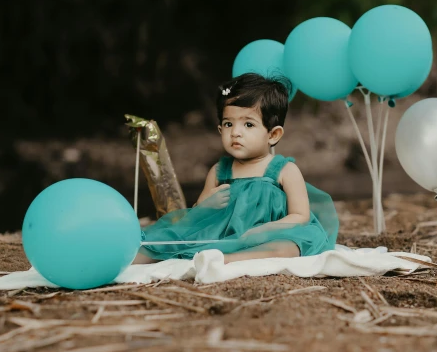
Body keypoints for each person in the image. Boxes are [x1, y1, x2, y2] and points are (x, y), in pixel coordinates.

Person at [134, 73, 339, 264]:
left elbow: (300, 215)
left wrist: (266, 230)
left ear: (273, 134)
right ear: (220, 129)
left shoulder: (284, 170)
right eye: (229, 124)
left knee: (288, 248)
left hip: (270, 235)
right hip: (223, 235)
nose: (236, 133)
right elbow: (197, 214)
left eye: (248, 125)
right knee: (170, 240)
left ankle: (230, 259)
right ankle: (127, 259)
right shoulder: (219, 171)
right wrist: (208, 204)